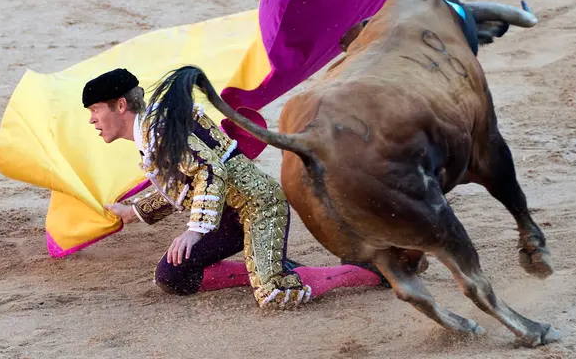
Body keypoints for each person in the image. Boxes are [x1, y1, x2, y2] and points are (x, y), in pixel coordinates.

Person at [82, 67, 386, 308]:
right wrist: (133, 211)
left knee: (275, 295)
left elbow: (209, 169)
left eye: (95, 110)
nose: (93, 120)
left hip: (258, 206)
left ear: (120, 105)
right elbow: (183, 185)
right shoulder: (154, 127)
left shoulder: (157, 131)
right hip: (227, 214)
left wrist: (194, 230)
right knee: (173, 276)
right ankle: (269, 268)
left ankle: (365, 273)